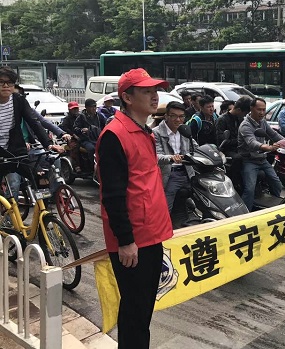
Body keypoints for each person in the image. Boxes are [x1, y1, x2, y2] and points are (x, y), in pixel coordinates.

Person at [96, 68, 173, 348]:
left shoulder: (143, 131)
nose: (154, 97)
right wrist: (126, 240)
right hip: (135, 240)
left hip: (151, 233)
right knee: (135, 312)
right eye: (146, 91)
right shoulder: (115, 135)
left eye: (155, 91)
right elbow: (113, 196)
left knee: (142, 310)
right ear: (127, 98)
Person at [0, 67, 62, 197]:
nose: (6, 86)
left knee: (39, 177)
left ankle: (43, 207)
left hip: (15, 150)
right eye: (1, 82)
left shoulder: (19, 100)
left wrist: (48, 144)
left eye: (9, 82)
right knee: (12, 185)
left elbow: (34, 122)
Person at [153, 101, 201, 213]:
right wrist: (171, 158)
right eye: (174, 116)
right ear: (166, 116)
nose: (178, 120)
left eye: (181, 116)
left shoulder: (184, 129)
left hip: (188, 172)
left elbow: (195, 147)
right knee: (165, 209)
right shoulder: (156, 133)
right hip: (170, 174)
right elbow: (156, 156)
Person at [238, 97, 283, 211]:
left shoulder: (262, 122)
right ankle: (244, 213)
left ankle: (275, 207)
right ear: (251, 108)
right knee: (249, 189)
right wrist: (266, 147)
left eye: (264, 110)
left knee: (277, 184)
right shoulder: (245, 125)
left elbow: (274, 134)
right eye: (259, 110)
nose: (262, 112)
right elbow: (252, 142)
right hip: (249, 161)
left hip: (262, 159)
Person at [216, 97, 252, 191]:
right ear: (239, 110)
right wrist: (239, 140)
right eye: (245, 113)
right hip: (226, 150)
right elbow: (222, 141)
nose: (245, 115)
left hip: (240, 148)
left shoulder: (241, 119)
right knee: (238, 158)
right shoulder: (222, 120)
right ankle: (234, 183)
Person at [74, 98, 106, 166]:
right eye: (92, 107)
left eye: (95, 106)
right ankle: (93, 167)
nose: (94, 108)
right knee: (92, 149)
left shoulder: (99, 116)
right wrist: (82, 130)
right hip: (86, 140)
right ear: (86, 107)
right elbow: (75, 128)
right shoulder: (81, 117)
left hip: (98, 138)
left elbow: (106, 126)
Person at [60, 101, 83, 172]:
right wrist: (73, 135)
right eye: (73, 109)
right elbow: (64, 128)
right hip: (71, 138)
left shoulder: (82, 117)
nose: (75, 110)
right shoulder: (67, 119)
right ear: (69, 110)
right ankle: (76, 165)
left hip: (82, 137)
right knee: (74, 146)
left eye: (76, 108)